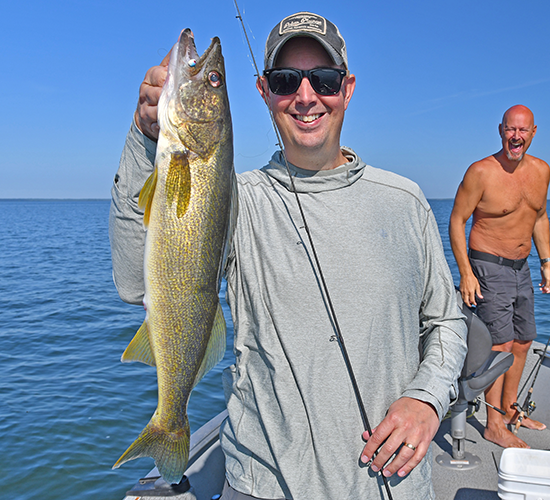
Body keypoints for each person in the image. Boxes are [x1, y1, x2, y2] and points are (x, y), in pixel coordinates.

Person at [109, 11, 467, 500]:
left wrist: (426, 401)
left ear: (348, 88)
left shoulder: (405, 201)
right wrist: (144, 137)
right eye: (285, 80)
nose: (305, 96)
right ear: (262, 90)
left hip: (393, 486)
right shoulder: (234, 202)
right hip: (261, 486)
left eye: (323, 79)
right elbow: (135, 281)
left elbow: (446, 322)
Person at [448, 105, 550, 449]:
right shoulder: (481, 172)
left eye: (523, 131)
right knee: (501, 344)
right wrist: (466, 272)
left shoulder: (542, 171)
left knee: (524, 342)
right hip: (488, 266)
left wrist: (546, 261)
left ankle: (510, 412)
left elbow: (539, 217)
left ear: (534, 133)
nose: (516, 136)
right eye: (511, 129)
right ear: (500, 130)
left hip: (521, 268)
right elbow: (456, 221)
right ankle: (494, 423)